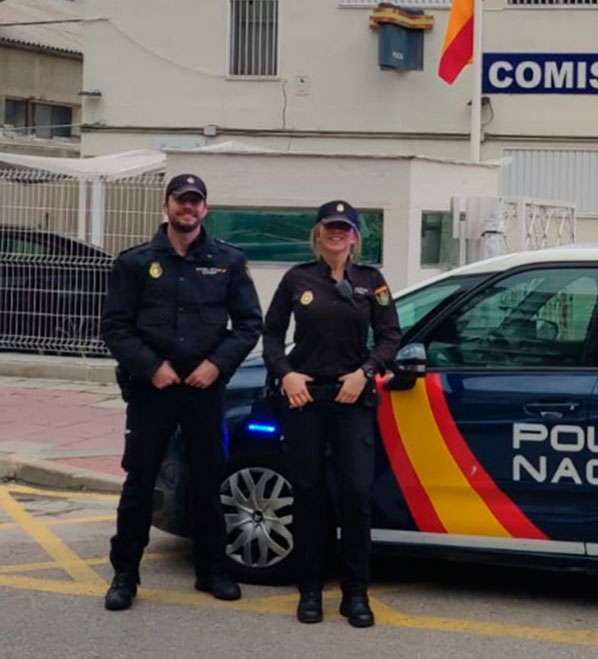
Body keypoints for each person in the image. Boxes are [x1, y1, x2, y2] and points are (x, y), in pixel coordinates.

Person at [100, 173, 263, 610]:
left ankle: (212, 570)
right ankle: (124, 575)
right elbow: (115, 327)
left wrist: (216, 365)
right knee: (140, 483)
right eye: (180, 200)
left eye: (195, 201)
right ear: (167, 205)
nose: (187, 208)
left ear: (205, 209)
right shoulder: (135, 262)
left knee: (208, 482)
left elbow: (249, 324)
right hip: (152, 390)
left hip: (203, 390)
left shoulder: (228, 261)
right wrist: (152, 367)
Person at [262, 200, 401, 628]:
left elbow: (391, 336)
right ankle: (309, 591)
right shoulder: (296, 279)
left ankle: (355, 594)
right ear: (318, 233)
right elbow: (271, 335)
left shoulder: (371, 281)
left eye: (345, 228)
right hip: (305, 400)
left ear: (355, 236)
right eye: (330, 227)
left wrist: (366, 372)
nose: (337, 234)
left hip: (351, 399)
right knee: (308, 495)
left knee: (355, 494)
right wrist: (286, 375)